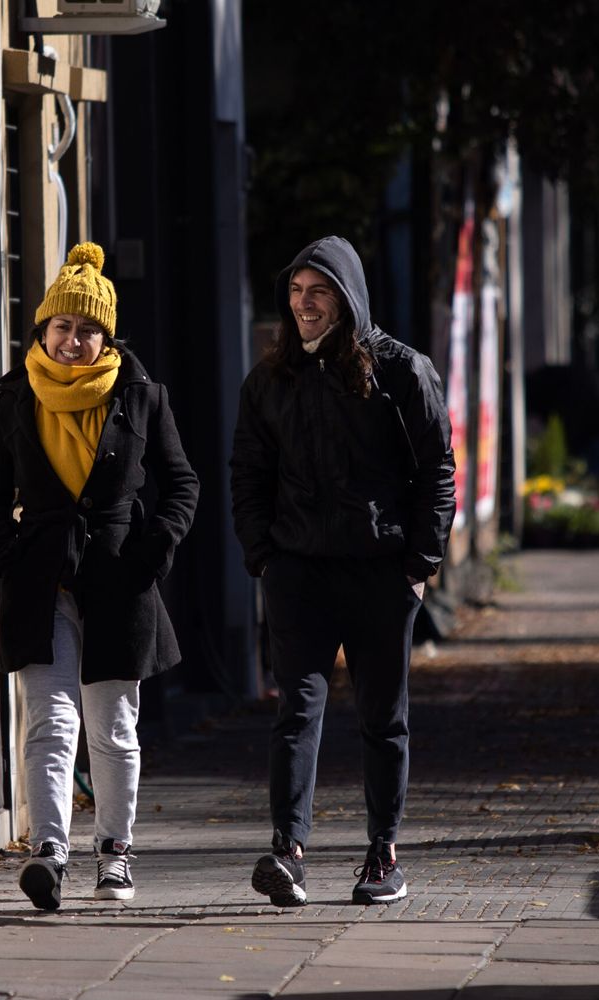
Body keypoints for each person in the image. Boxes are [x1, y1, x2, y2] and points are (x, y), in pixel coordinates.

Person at [0, 242, 199, 910]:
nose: (72, 341)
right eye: (62, 327)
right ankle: (49, 853)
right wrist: (8, 552)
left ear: (107, 337)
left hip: (118, 581)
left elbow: (181, 483)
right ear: (43, 329)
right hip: (39, 581)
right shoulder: (16, 397)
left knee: (113, 727)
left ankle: (115, 854)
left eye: (86, 330)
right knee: (49, 722)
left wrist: (153, 551)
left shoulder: (140, 396)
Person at [230, 235, 455, 906]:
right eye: (297, 293)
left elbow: (437, 472)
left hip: (381, 575)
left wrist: (418, 565)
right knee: (296, 712)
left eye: (318, 292)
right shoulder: (269, 380)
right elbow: (248, 474)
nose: (304, 305)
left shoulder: (401, 372)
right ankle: (288, 852)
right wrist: (264, 557)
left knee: (382, 718)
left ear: (346, 298)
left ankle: (383, 855)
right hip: (298, 573)